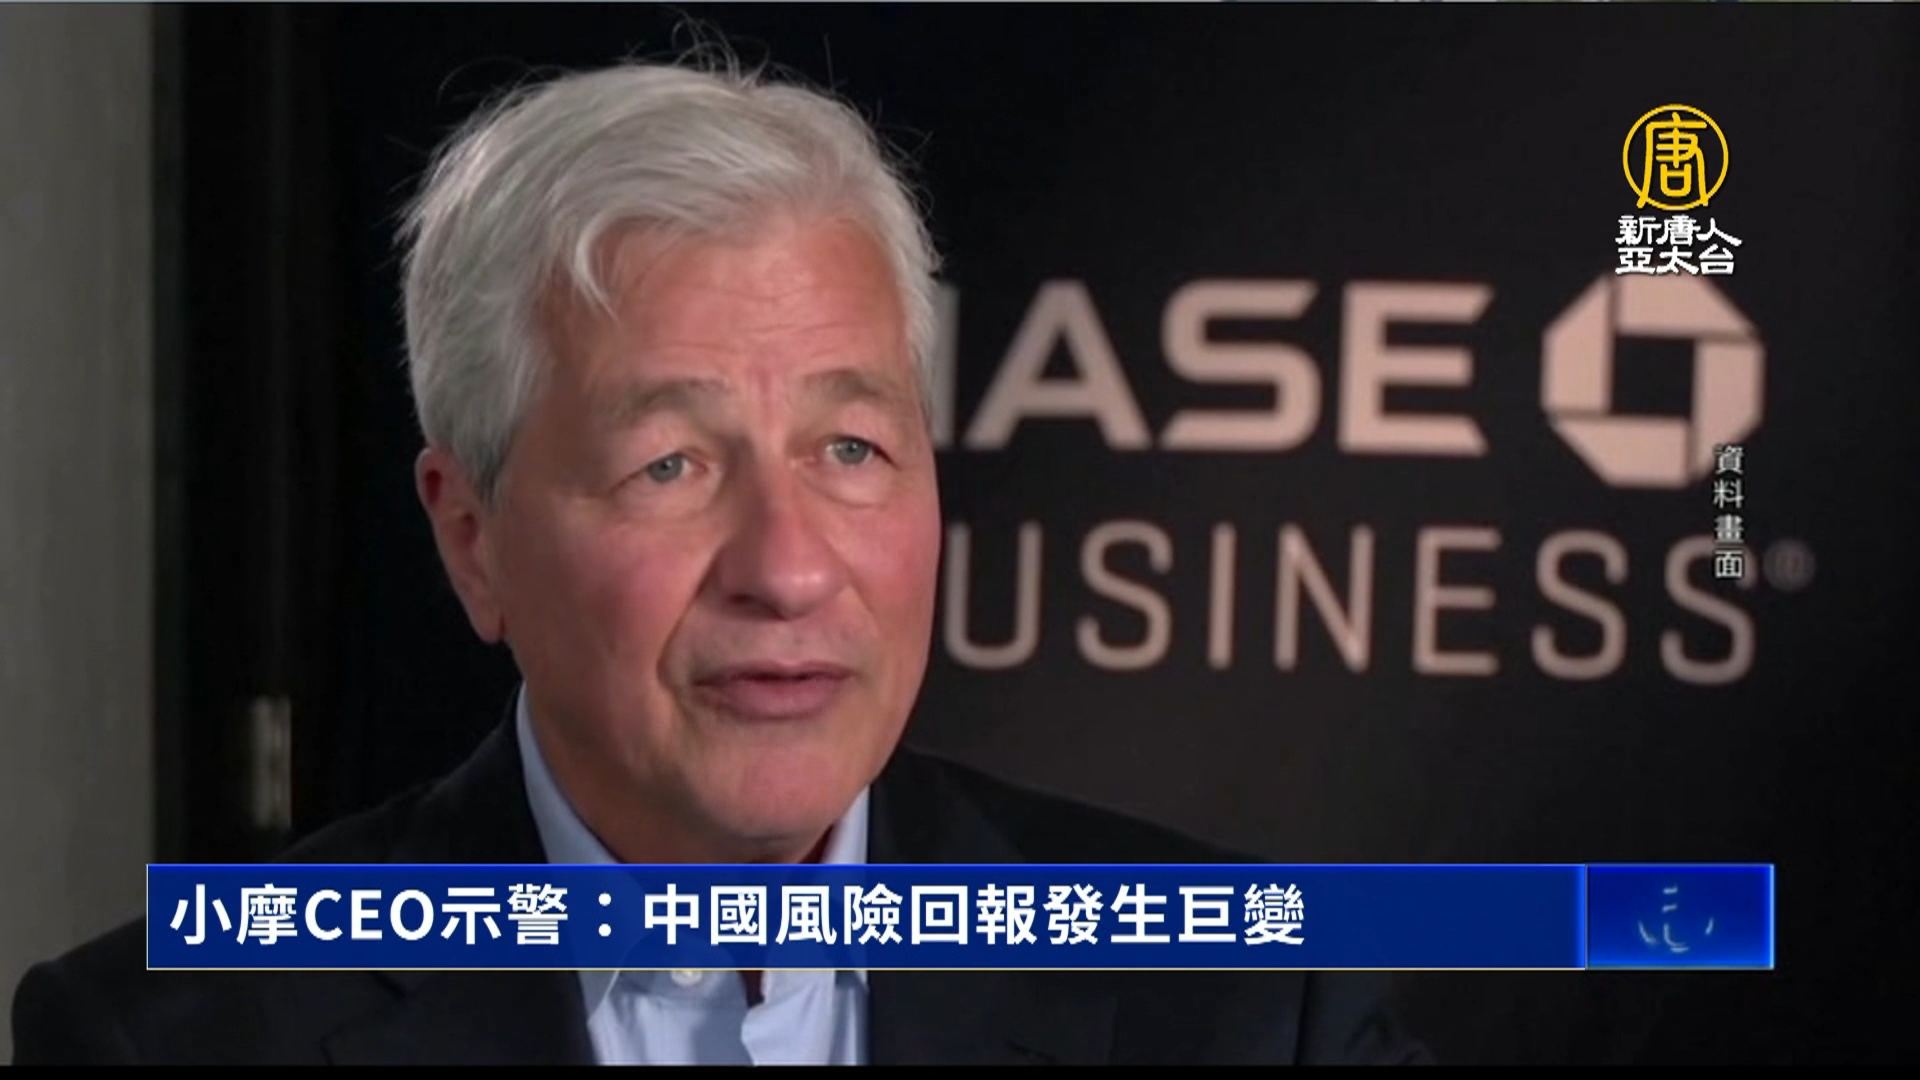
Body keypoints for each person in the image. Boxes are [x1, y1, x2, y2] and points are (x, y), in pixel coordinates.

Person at [11, 57, 1430, 1065]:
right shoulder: (175, 1032)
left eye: (850, 448)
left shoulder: (1252, 997)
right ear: (472, 538)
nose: (788, 569)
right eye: (671, 465)